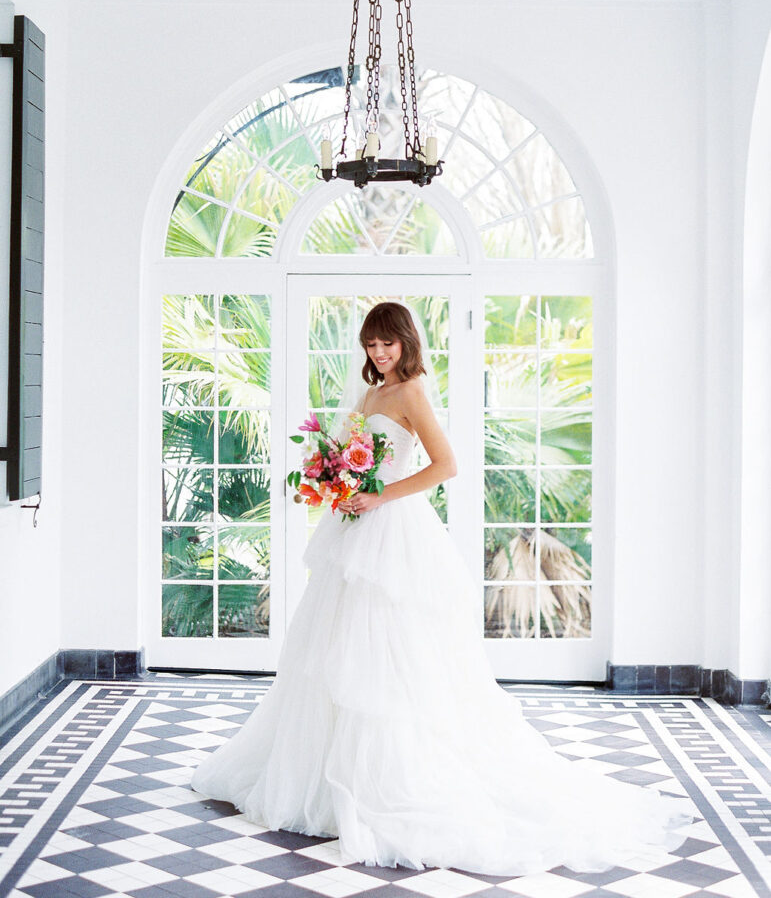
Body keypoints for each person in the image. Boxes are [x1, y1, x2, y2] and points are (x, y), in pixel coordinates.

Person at [190, 301, 693, 875]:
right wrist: (337, 477)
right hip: (353, 527)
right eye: (371, 346)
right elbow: (349, 450)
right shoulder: (371, 393)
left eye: (388, 344)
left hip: (392, 530)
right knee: (332, 647)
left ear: (406, 342)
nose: (379, 354)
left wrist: (380, 494)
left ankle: (384, 780)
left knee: (388, 655)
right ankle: (319, 778)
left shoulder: (409, 393)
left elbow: (446, 464)